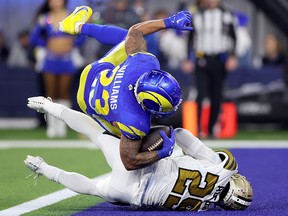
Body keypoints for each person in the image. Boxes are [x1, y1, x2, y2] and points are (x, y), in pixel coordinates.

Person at [25, 96, 253, 211]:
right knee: (94, 188)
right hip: (132, 194)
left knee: (96, 133)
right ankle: (43, 169)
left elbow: (182, 134)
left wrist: (162, 137)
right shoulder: (201, 207)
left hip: (144, 166)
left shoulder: (222, 168)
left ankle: (48, 106)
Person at [57, 6, 193, 170]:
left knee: (127, 37)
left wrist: (169, 22)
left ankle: (78, 26)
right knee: (141, 139)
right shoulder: (136, 120)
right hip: (86, 104)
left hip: (92, 75)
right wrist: (160, 154)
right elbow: (129, 162)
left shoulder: (143, 63)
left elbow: (136, 30)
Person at [30, 0, 85, 138]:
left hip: (67, 59)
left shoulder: (71, 16)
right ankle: (51, 127)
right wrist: (46, 44)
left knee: (64, 92)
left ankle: (62, 126)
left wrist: (73, 43)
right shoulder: (45, 18)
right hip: (50, 59)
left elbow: (83, 34)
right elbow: (34, 36)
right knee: (51, 92)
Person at [186, 0, 238, 138]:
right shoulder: (197, 15)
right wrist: (188, 59)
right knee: (200, 94)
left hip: (219, 59)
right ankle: (196, 130)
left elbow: (233, 37)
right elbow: (190, 39)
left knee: (217, 96)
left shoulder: (226, 15)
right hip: (202, 58)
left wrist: (232, 56)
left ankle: (210, 129)